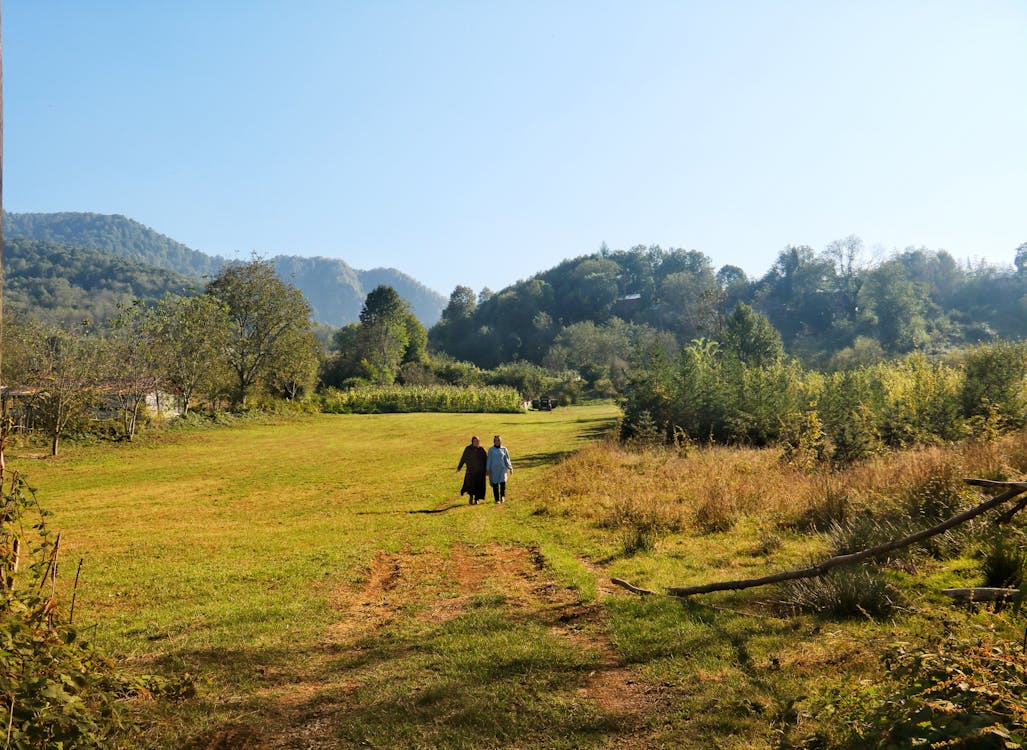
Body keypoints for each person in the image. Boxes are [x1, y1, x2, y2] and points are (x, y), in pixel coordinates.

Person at [457, 436, 487, 504]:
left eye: (478, 441)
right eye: (475, 441)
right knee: (471, 485)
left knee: (478, 485)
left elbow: (486, 460)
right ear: (472, 442)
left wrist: (487, 469)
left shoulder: (481, 450)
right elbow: (463, 458)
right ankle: (471, 497)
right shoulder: (468, 449)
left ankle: (477, 499)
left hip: (480, 472)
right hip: (471, 471)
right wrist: (459, 467)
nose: (476, 443)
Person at [485, 434, 513, 504]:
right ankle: (497, 499)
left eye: (499, 440)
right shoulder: (491, 450)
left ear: (501, 441)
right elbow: (489, 460)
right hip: (493, 470)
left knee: (503, 482)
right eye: (496, 440)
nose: (497, 441)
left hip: (502, 469)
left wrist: (510, 467)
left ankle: (502, 497)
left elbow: (507, 459)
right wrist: (487, 469)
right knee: (495, 484)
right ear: (494, 441)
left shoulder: (504, 449)